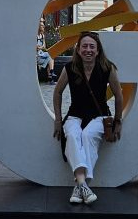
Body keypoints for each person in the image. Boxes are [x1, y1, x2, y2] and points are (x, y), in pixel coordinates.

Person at [51, 31, 124, 205]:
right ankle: (84, 185)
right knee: (74, 136)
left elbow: (119, 96)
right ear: (78, 49)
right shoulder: (70, 68)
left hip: (99, 117)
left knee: (88, 135)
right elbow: (57, 92)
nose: (88, 50)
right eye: (84, 46)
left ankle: (79, 187)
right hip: (74, 115)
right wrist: (58, 119)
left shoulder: (107, 67)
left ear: (98, 50)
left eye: (92, 46)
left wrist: (118, 121)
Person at [36, 20, 55, 84]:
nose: (43, 27)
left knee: (51, 56)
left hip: (41, 54)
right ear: (38, 27)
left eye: (43, 26)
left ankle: (50, 74)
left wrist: (39, 47)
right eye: (41, 26)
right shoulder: (35, 35)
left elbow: (44, 46)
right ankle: (51, 77)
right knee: (50, 57)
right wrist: (39, 47)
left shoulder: (42, 35)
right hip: (36, 56)